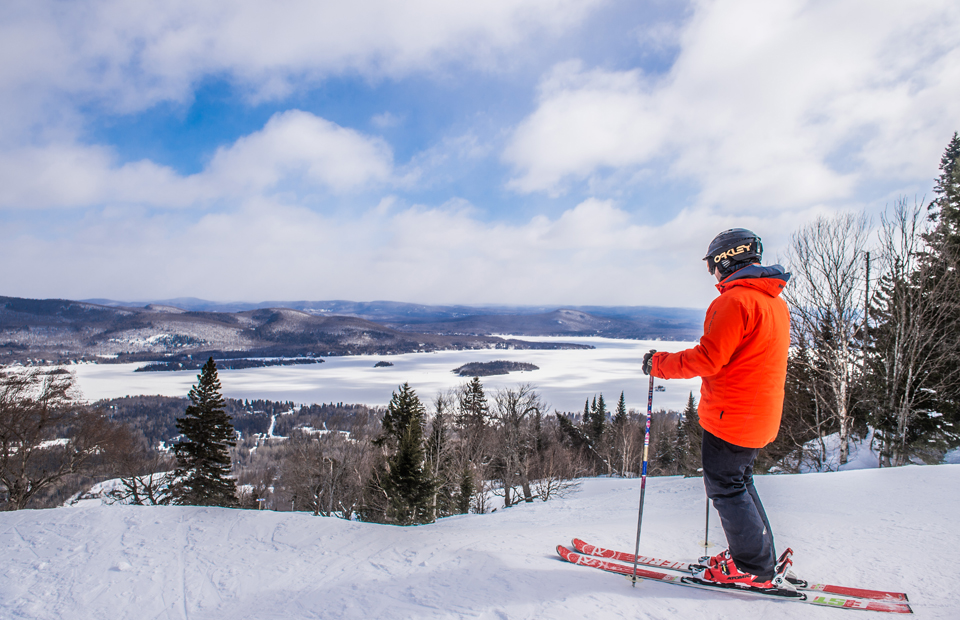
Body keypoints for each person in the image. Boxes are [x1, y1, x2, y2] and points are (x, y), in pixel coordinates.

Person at [642, 228, 791, 590]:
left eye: (713, 266)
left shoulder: (735, 301)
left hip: (732, 415)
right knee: (738, 482)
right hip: (757, 412)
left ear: (726, 260)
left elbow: (709, 359)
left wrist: (658, 363)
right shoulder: (772, 302)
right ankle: (759, 559)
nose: (713, 274)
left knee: (725, 487)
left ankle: (752, 566)